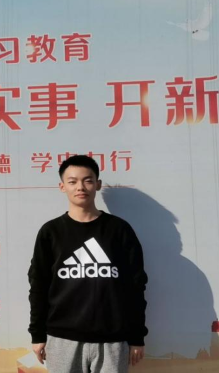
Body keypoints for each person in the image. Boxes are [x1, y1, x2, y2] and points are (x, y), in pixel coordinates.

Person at [28, 155, 148, 373]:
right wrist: (37, 334)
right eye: (72, 181)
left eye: (88, 180)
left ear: (98, 184)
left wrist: (136, 336)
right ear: (62, 186)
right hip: (63, 338)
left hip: (112, 339)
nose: (80, 187)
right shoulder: (51, 232)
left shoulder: (119, 230)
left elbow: (136, 286)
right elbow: (38, 286)